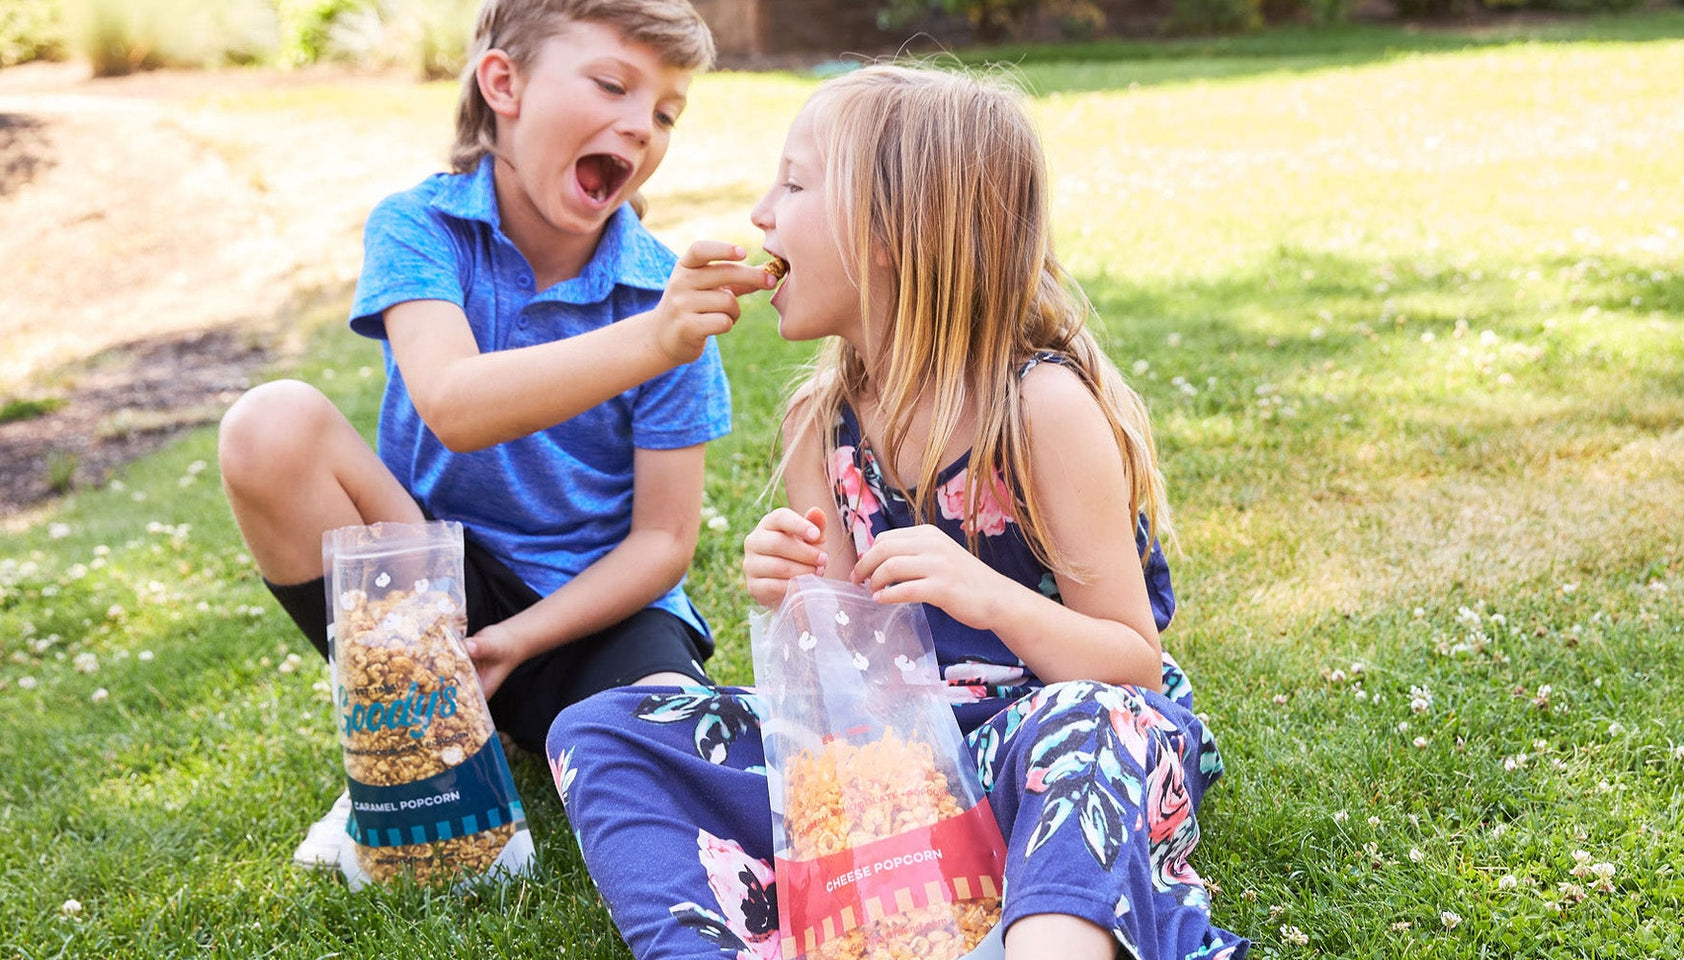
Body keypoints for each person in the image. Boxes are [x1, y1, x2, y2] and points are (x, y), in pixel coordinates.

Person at [546, 64, 1247, 960]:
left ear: (890, 229)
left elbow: (1130, 668)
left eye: (793, 184)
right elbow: (854, 687)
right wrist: (794, 595)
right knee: (601, 729)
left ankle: (1042, 940)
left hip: (1034, 750)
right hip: (897, 775)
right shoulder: (819, 426)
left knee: (1094, 727)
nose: (760, 213)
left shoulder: (1039, 409)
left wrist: (984, 596)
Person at [216, 0, 773, 871]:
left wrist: (520, 640)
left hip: (598, 610)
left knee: (699, 764)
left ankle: (477, 722)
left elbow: (663, 542)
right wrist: (654, 337)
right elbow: (454, 403)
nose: (641, 125)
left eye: (665, 112)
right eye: (612, 84)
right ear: (503, 83)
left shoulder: (664, 292)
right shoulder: (423, 227)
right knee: (269, 423)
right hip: (432, 590)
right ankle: (410, 742)